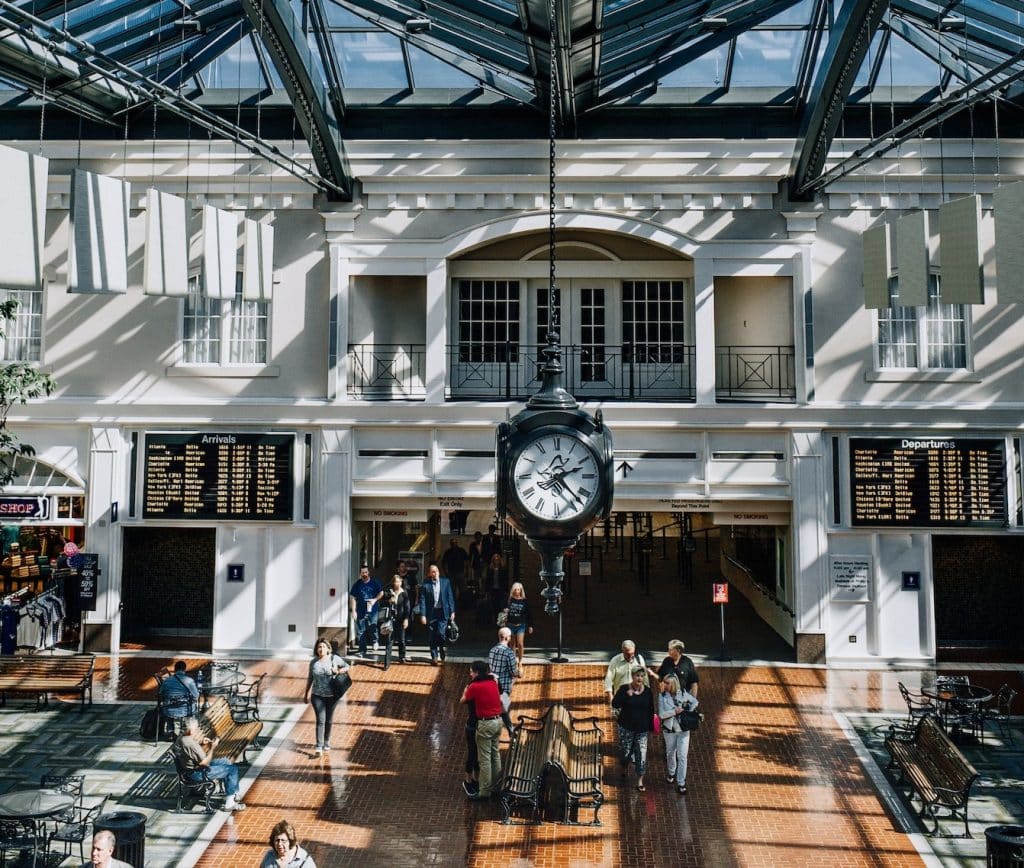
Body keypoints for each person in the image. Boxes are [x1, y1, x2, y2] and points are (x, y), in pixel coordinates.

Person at [171, 717, 247, 810]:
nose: (196, 731)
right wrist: (212, 747)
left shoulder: (181, 738)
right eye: (195, 729)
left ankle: (233, 793)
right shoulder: (190, 743)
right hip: (196, 773)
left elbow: (190, 753)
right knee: (232, 769)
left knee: (226, 761)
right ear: (190, 731)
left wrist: (202, 743)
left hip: (191, 769)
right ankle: (229, 803)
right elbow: (205, 762)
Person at [460, 659, 503, 800]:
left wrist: (466, 690)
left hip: (485, 724)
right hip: (498, 721)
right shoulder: (493, 682)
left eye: (471, 672)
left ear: (477, 672)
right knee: (495, 755)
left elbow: (463, 700)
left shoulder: (475, 686)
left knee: (484, 759)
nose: (470, 674)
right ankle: (497, 786)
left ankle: (484, 791)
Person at [303, 638, 350, 756]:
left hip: (332, 696)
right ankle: (319, 746)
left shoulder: (334, 659)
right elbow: (310, 678)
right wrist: (306, 694)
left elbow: (347, 666)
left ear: (328, 649)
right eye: (319, 647)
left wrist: (338, 671)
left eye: (323, 646)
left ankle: (326, 741)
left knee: (329, 720)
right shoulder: (313, 662)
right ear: (316, 649)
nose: (321, 649)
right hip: (317, 696)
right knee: (321, 720)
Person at [611, 666, 655, 791]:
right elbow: (615, 704)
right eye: (637, 676)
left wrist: (650, 727)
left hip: (642, 729)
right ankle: (624, 767)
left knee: (641, 754)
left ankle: (640, 780)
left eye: (642, 676)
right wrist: (626, 696)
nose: (639, 678)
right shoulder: (625, 689)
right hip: (626, 727)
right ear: (632, 676)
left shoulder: (647, 692)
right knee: (625, 752)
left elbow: (651, 710)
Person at [658, 673, 699, 795]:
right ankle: (671, 772)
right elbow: (661, 714)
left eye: (667, 683)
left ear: (673, 684)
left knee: (682, 756)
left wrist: (688, 709)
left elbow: (694, 702)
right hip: (669, 730)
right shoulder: (662, 696)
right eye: (664, 682)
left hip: (683, 730)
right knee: (670, 753)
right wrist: (674, 711)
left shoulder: (683, 693)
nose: (664, 685)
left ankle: (681, 782)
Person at [416, 563, 456, 665]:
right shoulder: (426, 584)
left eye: (437, 571)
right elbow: (422, 600)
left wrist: (452, 611)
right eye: (433, 572)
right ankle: (434, 656)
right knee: (432, 635)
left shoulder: (445, 582)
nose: (435, 573)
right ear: (429, 573)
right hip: (431, 613)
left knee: (441, 633)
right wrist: (423, 615)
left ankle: (442, 648)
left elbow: (450, 597)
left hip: (443, 612)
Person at [487, 626, 518, 736]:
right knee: (504, 708)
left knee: (500, 707)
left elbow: (491, 667)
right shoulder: (509, 652)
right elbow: (513, 671)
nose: (510, 638)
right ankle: (509, 730)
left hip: (492, 684)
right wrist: (518, 672)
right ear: (506, 638)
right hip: (504, 685)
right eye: (509, 636)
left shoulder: (492, 650)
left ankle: (510, 729)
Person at [604, 639, 648, 712]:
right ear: (622, 651)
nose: (630, 656)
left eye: (632, 653)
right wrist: (612, 701)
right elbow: (608, 681)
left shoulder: (639, 660)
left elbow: (645, 681)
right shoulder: (615, 661)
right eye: (627, 654)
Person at [349, 565, 383, 656]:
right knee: (360, 630)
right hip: (360, 610)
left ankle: (375, 641)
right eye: (362, 573)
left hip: (373, 610)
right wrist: (353, 611)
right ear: (360, 574)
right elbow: (353, 597)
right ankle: (362, 650)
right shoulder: (357, 584)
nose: (364, 574)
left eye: (366, 572)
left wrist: (375, 599)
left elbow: (381, 593)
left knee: (372, 627)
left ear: (369, 573)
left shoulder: (375, 583)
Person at [379, 573, 411, 669]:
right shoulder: (389, 592)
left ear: (401, 582)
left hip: (401, 619)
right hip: (390, 619)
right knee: (389, 641)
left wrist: (406, 619)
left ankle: (402, 657)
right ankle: (387, 663)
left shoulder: (404, 593)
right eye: (395, 582)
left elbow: (407, 607)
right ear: (393, 582)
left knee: (401, 640)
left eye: (399, 582)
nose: (397, 583)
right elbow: (381, 603)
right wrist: (388, 601)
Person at [159, 660, 199, 733]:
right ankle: (186, 730)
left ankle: (170, 732)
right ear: (184, 669)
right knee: (193, 708)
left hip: (169, 710)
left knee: (168, 708)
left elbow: (161, 694)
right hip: (185, 710)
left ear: (175, 669)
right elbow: (196, 696)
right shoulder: (189, 681)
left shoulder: (167, 680)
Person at [504, 582, 533, 673]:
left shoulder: (524, 601)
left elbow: (529, 614)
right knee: (512, 645)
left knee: (520, 644)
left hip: (521, 625)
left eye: (519, 589)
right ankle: (514, 662)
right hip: (510, 625)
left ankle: (520, 662)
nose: (517, 591)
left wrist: (531, 625)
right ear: (513, 590)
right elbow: (504, 611)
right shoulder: (510, 600)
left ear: (521, 590)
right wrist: (505, 611)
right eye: (516, 589)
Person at [483, 552, 508, 618]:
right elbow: (487, 580)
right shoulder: (490, 569)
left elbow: (505, 580)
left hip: (500, 589)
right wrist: (486, 590)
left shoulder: (503, 569)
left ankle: (499, 619)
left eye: (497, 559)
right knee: (493, 605)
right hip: (493, 589)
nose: (496, 561)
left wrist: (506, 589)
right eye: (495, 559)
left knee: (500, 605)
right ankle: (495, 617)